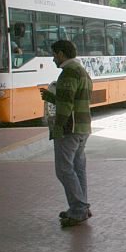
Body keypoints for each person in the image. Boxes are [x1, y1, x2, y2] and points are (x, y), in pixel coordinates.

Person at [40, 40, 93, 228]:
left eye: (54, 54)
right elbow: (74, 98)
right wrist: (53, 97)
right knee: (78, 168)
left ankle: (78, 208)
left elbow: (66, 104)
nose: (53, 59)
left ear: (61, 54)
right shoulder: (82, 71)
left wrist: (58, 127)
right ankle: (81, 207)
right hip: (83, 127)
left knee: (63, 169)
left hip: (70, 128)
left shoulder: (68, 72)